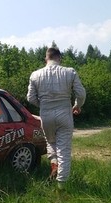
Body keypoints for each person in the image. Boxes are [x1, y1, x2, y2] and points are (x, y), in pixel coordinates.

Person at [27, 47, 86, 189]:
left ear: (46, 59)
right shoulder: (69, 72)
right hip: (65, 113)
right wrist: (77, 106)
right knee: (64, 150)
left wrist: (44, 104)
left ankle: (54, 164)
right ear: (59, 58)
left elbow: (30, 98)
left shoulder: (35, 75)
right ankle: (61, 186)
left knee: (51, 143)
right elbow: (81, 93)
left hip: (46, 115)